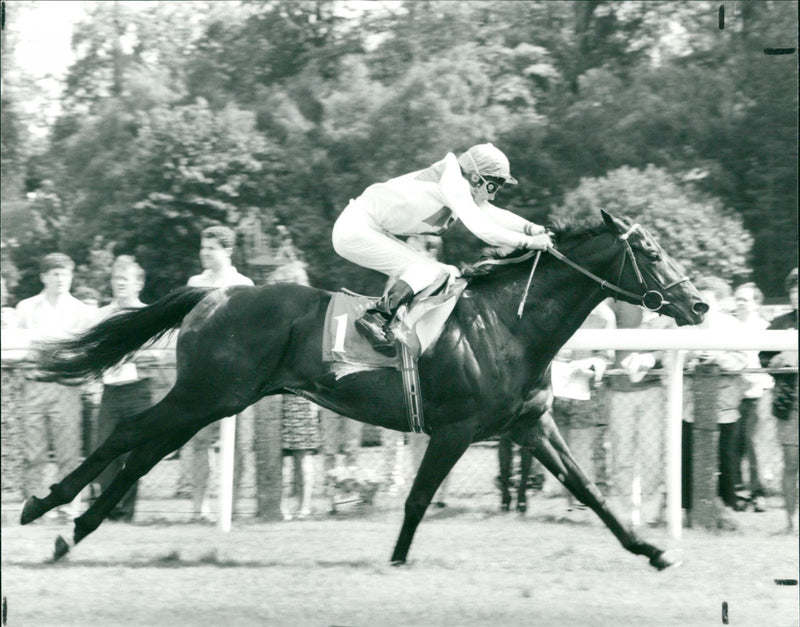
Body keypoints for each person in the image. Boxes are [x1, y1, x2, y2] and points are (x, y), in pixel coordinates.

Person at [332, 143, 552, 356]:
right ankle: (376, 319)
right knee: (429, 271)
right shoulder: (454, 186)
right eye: (494, 186)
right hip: (356, 229)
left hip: (369, 228)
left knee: (447, 273)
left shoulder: (459, 184)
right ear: (476, 177)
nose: (493, 194)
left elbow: (491, 212)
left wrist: (533, 229)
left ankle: (402, 326)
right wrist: (529, 242)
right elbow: (483, 228)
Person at [14, 253, 95, 515]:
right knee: (33, 452)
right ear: (43, 277)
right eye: (54, 273)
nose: (60, 279)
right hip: (34, 386)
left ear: (71, 277)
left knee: (68, 453)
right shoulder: (26, 308)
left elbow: (83, 351)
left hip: (66, 388)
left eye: (64, 273)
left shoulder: (83, 312)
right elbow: (22, 348)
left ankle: (68, 506)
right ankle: (33, 505)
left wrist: (52, 351)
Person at [185, 226, 254, 521]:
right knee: (199, 441)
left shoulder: (244, 284)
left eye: (211, 248)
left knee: (237, 443)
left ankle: (231, 506)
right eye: (202, 247)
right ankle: (198, 506)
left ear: (227, 251)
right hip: (201, 373)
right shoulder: (194, 283)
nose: (204, 253)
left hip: (235, 375)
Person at [91, 256, 160, 522]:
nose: (118, 284)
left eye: (124, 279)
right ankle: (110, 510)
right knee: (104, 453)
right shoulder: (102, 314)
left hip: (138, 392)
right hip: (110, 392)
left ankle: (126, 514)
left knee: (133, 456)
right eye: (115, 279)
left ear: (138, 283)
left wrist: (138, 355)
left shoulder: (150, 314)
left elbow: (160, 354)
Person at [682, 276, 748, 516]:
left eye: (708, 299)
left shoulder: (731, 326)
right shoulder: (687, 323)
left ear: (719, 302)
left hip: (725, 407)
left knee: (726, 460)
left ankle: (727, 508)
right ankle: (688, 508)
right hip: (692, 407)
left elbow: (743, 361)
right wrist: (692, 359)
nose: (703, 304)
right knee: (689, 458)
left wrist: (718, 359)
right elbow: (676, 359)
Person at [546, 299, 615, 509]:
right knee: (556, 450)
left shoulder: (604, 316)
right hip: (553, 390)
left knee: (581, 450)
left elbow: (607, 355)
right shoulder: (560, 306)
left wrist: (590, 364)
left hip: (583, 390)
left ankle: (581, 503)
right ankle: (564, 504)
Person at [759, 268, 798, 534]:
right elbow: (763, 358)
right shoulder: (780, 323)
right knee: (792, 462)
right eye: (794, 292)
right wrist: (778, 362)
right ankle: (791, 523)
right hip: (790, 404)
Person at [732, 282, 771, 512]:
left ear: (756, 303)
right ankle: (738, 493)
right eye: (737, 299)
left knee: (755, 445)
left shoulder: (766, 327)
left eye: (744, 300)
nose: (739, 304)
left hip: (758, 392)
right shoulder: (731, 326)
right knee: (734, 446)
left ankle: (758, 493)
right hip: (735, 394)